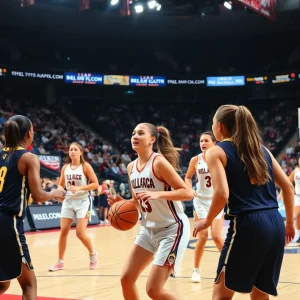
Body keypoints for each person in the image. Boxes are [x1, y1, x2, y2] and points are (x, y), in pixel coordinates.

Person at [193, 105, 295, 300]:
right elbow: (288, 188)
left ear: (220, 126)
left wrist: (206, 221)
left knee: (220, 295)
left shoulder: (216, 152)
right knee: (260, 295)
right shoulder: (262, 150)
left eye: (213, 122)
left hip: (248, 224)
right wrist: (289, 224)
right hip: (276, 224)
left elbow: (222, 194)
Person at [108, 123, 193, 300]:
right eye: (133, 133)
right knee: (126, 279)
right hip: (148, 230)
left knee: (154, 290)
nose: (135, 136)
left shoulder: (159, 162)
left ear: (152, 139)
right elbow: (138, 201)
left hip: (172, 229)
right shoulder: (131, 167)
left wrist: (158, 194)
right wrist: (122, 203)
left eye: (140, 133)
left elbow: (187, 192)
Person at [0, 115, 65, 299]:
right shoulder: (28, 157)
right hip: (8, 223)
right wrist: (55, 193)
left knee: (2, 283)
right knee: (29, 284)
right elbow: (38, 195)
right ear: (29, 134)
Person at [48, 142, 99, 272]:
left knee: (80, 233)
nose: (72, 151)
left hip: (83, 201)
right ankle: (60, 262)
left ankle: (93, 254)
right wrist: (59, 192)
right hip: (68, 201)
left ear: (81, 152)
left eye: (75, 149)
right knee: (63, 230)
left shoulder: (85, 166)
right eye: (70, 149)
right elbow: (60, 184)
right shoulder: (65, 168)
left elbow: (95, 184)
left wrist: (79, 188)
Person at [185, 131, 224, 283]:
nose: (203, 143)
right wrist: (189, 188)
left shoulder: (220, 158)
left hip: (216, 200)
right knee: (202, 236)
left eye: (206, 140)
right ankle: (195, 269)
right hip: (200, 200)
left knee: (216, 236)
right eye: (201, 141)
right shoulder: (196, 159)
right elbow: (187, 176)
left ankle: (229, 266)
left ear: (214, 143)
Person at [287, 157, 300, 243]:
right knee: (298, 215)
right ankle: (299, 234)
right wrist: (281, 193)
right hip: (298, 196)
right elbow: (288, 181)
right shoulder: (296, 171)